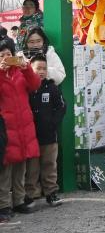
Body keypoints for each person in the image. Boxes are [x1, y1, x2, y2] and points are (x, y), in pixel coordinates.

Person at [0, 39, 42, 218]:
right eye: (1, 55)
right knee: (5, 170)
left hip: (23, 126)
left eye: (8, 54)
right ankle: (3, 205)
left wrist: (26, 68)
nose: (6, 58)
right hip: (6, 127)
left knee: (21, 166)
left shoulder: (20, 72)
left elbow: (35, 85)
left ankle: (19, 201)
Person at [26, 55, 66, 207]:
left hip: (49, 136)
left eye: (44, 68)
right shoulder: (27, 87)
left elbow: (61, 107)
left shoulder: (52, 87)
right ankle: (30, 195)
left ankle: (51, 193)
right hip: (30, 136)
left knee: (49, 165)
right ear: (31, 68)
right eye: (38, 69)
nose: (41, 72)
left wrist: (53, 123)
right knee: (31, 167)